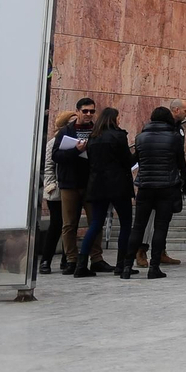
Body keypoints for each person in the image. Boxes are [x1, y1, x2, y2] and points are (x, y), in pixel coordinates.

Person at [73, 107, 134, 279]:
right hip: (118, 186)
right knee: (125, 223)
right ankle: (121, 265)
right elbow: (127, 161)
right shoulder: (118, 136)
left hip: (97, 186)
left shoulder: (93, 137)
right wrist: (138, 154)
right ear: (114, 119)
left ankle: (81, 264)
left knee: (95, 223)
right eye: (119, 117)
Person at [51, 98, 107, 274]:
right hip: (70, 182)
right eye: (85, 111)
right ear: (78, 112)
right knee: (69, 224)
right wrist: (76, 151)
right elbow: (56, 156)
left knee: (95, 222)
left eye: (91, 111)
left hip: (91, 183)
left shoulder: (98, 131)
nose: (89, 114)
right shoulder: (66, 131)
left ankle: (96, 258)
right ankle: (71, 260)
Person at [132, 105, 186, 279]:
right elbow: (180, 163)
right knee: (160, 227)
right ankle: (153, 266)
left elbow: (137, 159)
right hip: (166, 186)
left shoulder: (140, 137)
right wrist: (183, 178)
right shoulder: (174, 137)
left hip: (145, 186)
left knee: (138, 226)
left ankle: (125, 266)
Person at [38, 109, 75, 275]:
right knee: (56, 224)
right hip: (56, 190)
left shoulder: (77, 140)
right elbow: (48, 166)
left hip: (71, 187)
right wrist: (51, 184)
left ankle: (67, 259)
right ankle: (45, 260)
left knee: (69, 225)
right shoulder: (54, 142)